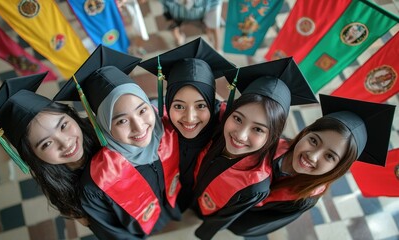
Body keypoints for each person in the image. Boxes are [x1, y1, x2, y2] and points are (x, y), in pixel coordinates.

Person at [227, 94, 396, 237]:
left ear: (338, 168)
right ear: (305, 132)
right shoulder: (270, 145)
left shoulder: (303, 199)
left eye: (329, 156)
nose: (312, 156)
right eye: (314, 140)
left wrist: (229, 219)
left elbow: (256, 223)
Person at [54, 56, 182, 238]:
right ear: (104, 125)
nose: (139, 127)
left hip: (172, 205)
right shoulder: (99, 181)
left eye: (142, 110)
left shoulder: (169, 129)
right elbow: (112, 233)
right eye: (122, 120)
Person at [192, 57, 318, 239]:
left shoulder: (255, 184)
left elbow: (224, 217)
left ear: (272, 137)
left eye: (258, 129)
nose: (240, 135)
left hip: (207, 208)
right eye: (237, 118)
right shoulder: (217, 123)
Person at [0, 73, 101, 226]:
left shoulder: (111, 133)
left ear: (70, 114)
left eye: (63, 125)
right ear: (31, 155)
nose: (65, 143)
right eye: (46, 144)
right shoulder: (61, 190)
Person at [139, 37, 235, 212]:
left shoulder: (224, 129)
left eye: (200, 105)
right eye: (179, 106)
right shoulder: (157, 127)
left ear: (211, 103)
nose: (190, 118)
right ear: (167, 103)